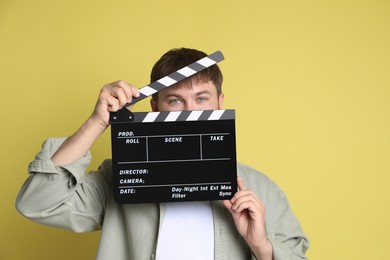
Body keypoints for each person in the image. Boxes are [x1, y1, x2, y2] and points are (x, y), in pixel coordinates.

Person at [16, 48, 309, 260]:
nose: (190, 111)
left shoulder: (262, 190)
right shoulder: (121, 177)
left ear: (220, 103)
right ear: (155, 108)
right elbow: (38, 202)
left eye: (202, 99)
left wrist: (261, 247)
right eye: (175, 100)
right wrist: (97, 123)